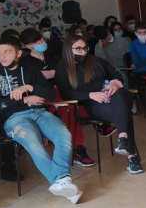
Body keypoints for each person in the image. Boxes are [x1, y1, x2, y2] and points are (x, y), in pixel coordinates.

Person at [0, 36, 82, 203]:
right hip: (14, 119)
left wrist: (29, 87)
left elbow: (49, 93)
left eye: (7, 51)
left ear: (18, 53)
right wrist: (24, 99)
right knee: (33, 142)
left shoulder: (30, 69)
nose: (2, 56)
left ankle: (61, 182)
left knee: (63, 135)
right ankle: (61, 181)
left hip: (40, 112)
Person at [56, 35, 144, 175]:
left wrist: (115, 82)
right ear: (68, 49)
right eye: (78, 49)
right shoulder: (62, 67)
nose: (83, 52)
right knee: (124, 112)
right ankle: (131, 156)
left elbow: (116, 74)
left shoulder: (95, 60)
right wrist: (90, 95)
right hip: (91, 104)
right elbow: (67, 93)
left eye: (85, 48)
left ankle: (123, 139)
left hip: (112, 98)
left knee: (120, 94)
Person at [22, 28, 96, 168]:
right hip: (44, 95)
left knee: (72, 105)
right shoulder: (26, 63)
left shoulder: (53, 56)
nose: (41, 43)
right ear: (27, 46)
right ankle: (75, 148)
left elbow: (66, 71)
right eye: (37, 42)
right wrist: (47, 75)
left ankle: (76, 147)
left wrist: (53, 74)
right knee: (67, 108)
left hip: (63, 89)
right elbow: (31, 82)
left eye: (42, 40)